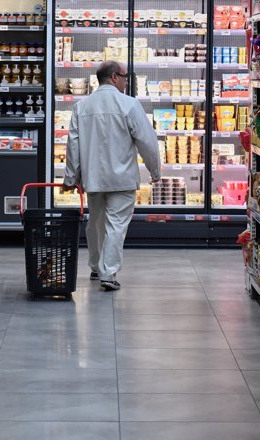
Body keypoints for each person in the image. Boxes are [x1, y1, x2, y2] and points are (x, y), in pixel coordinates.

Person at [63, 60, 161, 291]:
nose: (127, 81)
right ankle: (109, 273)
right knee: (116, 225)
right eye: (126, 77)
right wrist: (154, 170)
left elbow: (73, 145)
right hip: (122, 178)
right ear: (114, 77)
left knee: (95, 223)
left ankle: (96, 267)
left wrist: (70, 178)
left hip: (93, 177)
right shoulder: (129, 104)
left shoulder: (82, 106)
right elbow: (147, 141)